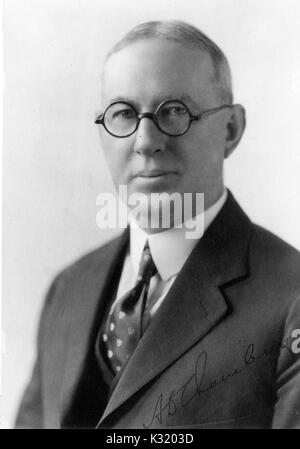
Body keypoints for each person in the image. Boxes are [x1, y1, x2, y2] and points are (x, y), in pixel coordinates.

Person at [15, 20, 300, 429]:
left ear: (231, 130)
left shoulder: (292, 296)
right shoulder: (69, 289)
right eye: (123, 113)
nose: (145, 140)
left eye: (174, 112)